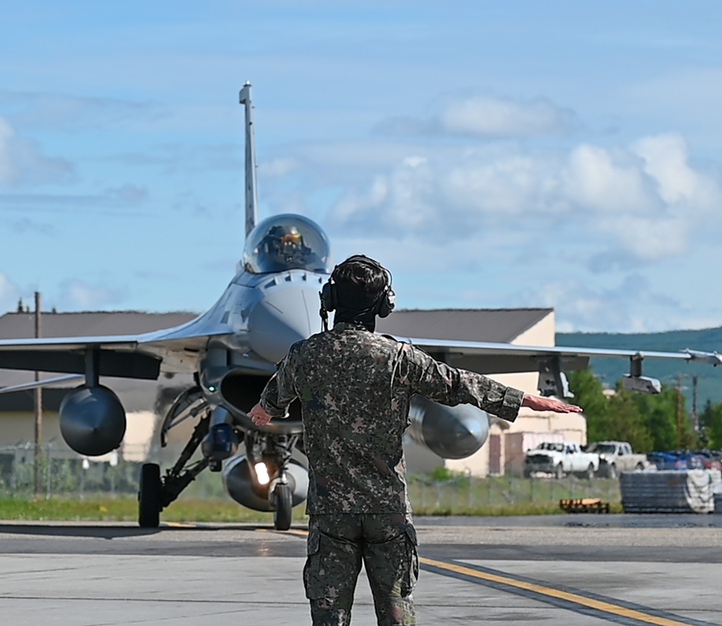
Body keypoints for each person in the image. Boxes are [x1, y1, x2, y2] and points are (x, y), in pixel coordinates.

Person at [248, 254, 581, 626]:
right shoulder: (400, 358)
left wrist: (263, 410)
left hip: (331, 514)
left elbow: (271, 403)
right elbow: (458, 384)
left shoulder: (304, 355)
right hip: (387, 510)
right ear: (384, 305)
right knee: (395, 608)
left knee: (329, 614)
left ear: (329, 300)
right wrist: (525, 399)